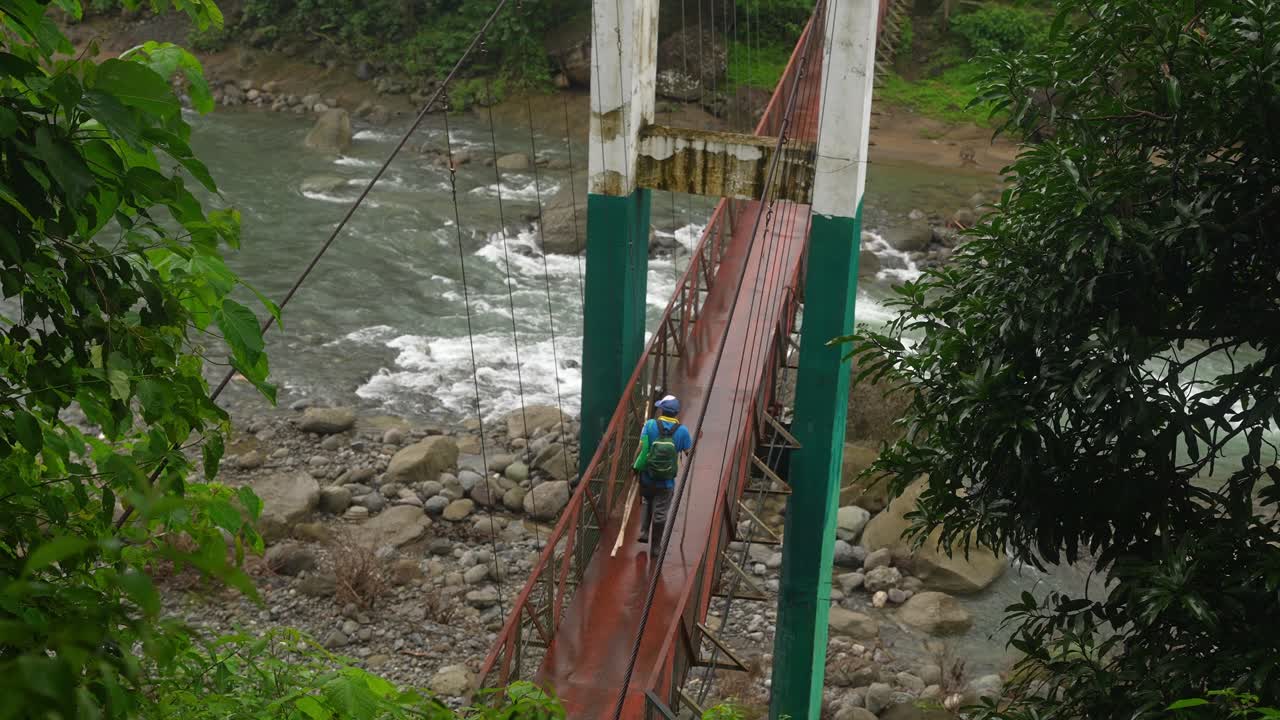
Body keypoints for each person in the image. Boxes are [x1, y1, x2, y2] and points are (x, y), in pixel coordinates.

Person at [632, 394, 693, 554]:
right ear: (676, 413)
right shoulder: (683, 431)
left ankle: (644, 531)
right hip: (666, 482)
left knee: (647, 500)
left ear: (661, 411)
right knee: (660, 512)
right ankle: (656, 546)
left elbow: (641, 448)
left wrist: (635, 467)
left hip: (647, 477)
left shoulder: (650, 425)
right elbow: (689, 453)